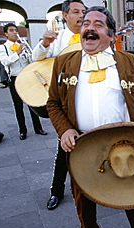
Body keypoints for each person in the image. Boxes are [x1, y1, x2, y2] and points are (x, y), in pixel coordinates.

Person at [47, 6, 134, 228]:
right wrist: (64, 130)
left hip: (123, 142)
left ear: (112, 35)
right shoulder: (64, 62)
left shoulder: (131, 62)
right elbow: (52, 102)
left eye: (98, 24)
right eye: (85, 23)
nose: (89, 28)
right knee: (83, 197)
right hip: (81, 143)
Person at [32, 0, 87, 210]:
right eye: (75, 11)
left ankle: (99, 187)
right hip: (64, 101)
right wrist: (45, 44)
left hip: (86, 96)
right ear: (65, 15)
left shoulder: (91, 35)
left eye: (83, 11)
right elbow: (37, 58)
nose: (80, 15)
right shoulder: (58, 38)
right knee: (65, 147)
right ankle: (56, 191)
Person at [0, 23, 47, 140]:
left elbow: (30, 61)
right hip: (14, 78)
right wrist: (17, 53)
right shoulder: (1, 48)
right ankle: (22, 130)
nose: (15, 33)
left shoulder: (22, 45)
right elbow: (5, 62)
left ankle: (38, 128)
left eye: (16, 30)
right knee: (18, 105)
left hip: (28, 77)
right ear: (6, 33)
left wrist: (30, 55)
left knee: (32, 102)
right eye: (12, 30)